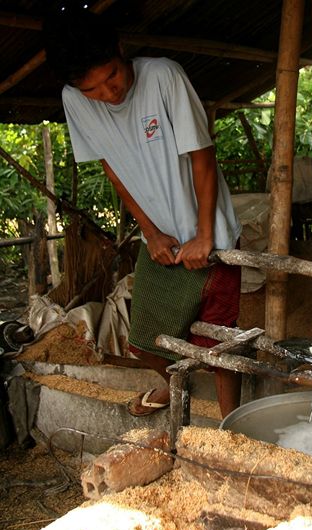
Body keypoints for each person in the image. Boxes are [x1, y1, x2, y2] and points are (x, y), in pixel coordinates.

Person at [43, 9, 242, 417]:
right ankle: (176, 383)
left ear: (121, 50)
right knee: (145, 340)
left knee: (220, 344)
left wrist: (204, 235)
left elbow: (202, 157)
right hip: (162, 241)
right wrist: (150, 232)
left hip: (211, 235)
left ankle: (230, 425)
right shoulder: (73, 100)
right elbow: (111, 166)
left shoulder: (163, 77)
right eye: (93, 89)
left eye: (112, 76)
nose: (108, 93)